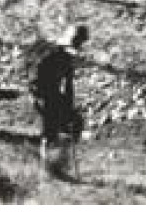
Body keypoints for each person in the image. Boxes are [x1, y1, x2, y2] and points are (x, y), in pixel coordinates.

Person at [30, 24, 87, 177]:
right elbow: (35, 79)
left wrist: (69, 106)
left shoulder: (67, 59)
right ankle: (46, 169)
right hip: (43, 94)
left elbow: (68, 85)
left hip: (54, 95)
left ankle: (60, 163)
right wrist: (39, 98)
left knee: (75, 123)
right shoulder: (49, 55)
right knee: (49, 132)